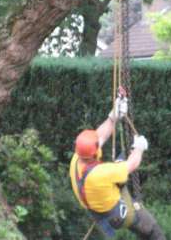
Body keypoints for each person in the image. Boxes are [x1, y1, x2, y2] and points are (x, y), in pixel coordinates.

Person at [69, 95, 165, 239]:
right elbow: (132, 164)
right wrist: (139, 147)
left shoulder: (76, 159)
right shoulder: (102, 173)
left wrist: (113, 116)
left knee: (122, 158)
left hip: (98, 207)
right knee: (152, 232)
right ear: (95, 152)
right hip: (117, 214)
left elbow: (99, 136)